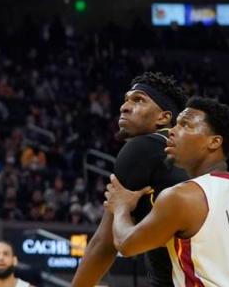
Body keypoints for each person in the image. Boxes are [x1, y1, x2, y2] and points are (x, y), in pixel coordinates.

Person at [105, 97, 229, 287]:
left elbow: (126, 244)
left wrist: (121, 207)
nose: (171, 131)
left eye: (185, 125)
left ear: (214, 142)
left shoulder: (181, 197)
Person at [72, 72, 188, 287]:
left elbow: (104, 244)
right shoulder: (196, 159)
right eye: (126, 100)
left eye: (139, 100)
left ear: (164, 117)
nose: (124, 107)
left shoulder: (144, 147)